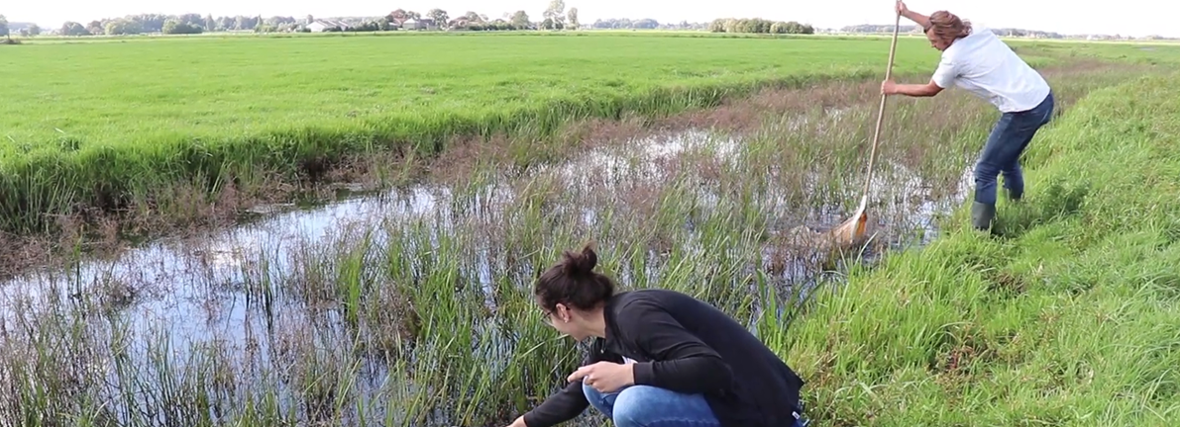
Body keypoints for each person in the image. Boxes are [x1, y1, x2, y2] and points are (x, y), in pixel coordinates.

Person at [504, 244, 808, 427]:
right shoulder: (611, 327)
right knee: (594, 386)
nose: (553, 325)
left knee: (632, 406)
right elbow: (574, 394)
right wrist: (526, 423)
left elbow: (712, 368)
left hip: (765, 411)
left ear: (564, 311)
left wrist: (630, 374)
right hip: (735, 399)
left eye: (549, 317)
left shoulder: (635, 317)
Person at [882, 0, 1055, 231]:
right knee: (1007, 158)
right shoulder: (974, 29)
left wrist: (894, 88)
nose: (932, 45)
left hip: (1024, 110)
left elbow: (930, 89)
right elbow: (934, 24)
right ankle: (1017, 206)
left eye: (934, 41)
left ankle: (980, 232)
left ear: (947, 37)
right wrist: (908, 13)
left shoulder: (953, 58)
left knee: (985, 171)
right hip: (1042, 97)